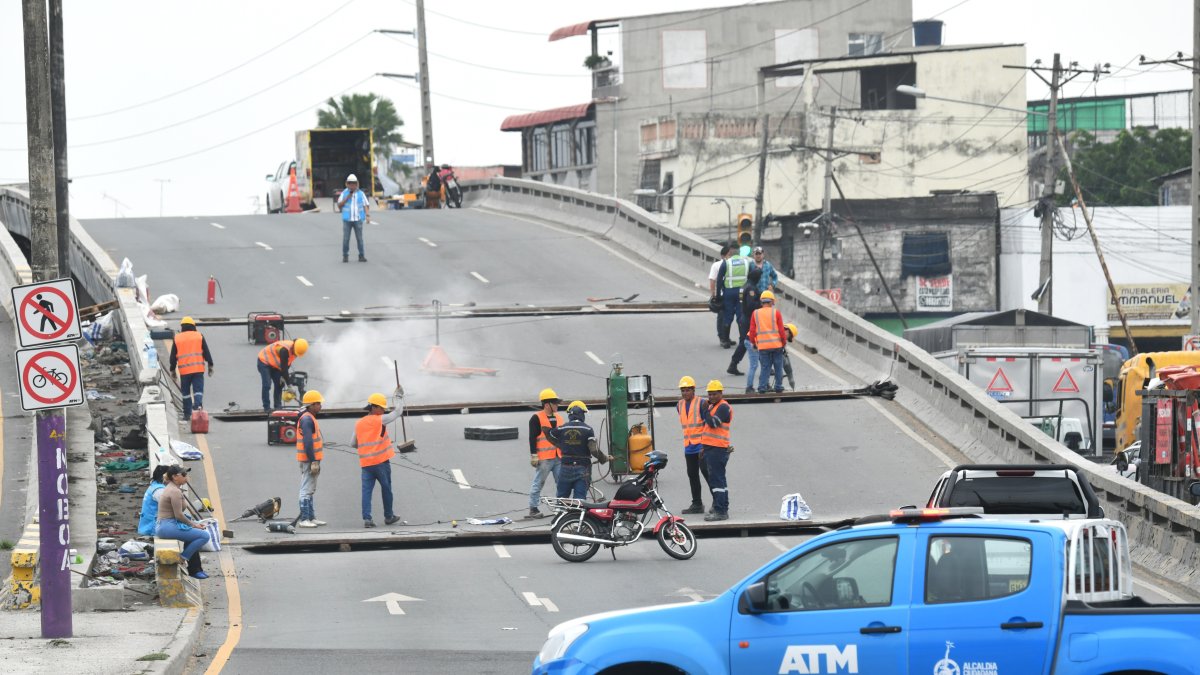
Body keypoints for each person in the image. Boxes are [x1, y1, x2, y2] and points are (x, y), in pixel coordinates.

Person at [353, 393, 403, 528]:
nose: (383, 411)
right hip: (381, 462)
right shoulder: (380, 419)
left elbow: (353, 443)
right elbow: (398, 412)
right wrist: (399, 397)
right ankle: (389, 516)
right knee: (386, 489)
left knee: (366, 491)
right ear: (374, 408)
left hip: (366, 465)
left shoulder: (359, 423)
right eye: (381, 408)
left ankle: (367, 519)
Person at [544, 400, 608, 500]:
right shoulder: (588, 430)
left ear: (570, 415)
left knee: (562, 499)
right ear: (582, 415)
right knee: (579, 501)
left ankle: (561, 513)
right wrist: (604, 458)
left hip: (565, 467)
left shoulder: (562, 428)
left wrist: (561, 444)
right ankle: (577, 515)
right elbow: (594, 450)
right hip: (582, 468)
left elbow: (549, 434)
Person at [155, 465, 210, 579]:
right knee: (204, 536)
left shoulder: (173, 488)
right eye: (184, 475)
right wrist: (194, 525)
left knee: (194, 536)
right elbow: (178, 515)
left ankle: (194, 569)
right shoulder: (174, 491)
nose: (187, 477)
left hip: (165, 525)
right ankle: (182, 559)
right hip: (168, 526)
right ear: (175, 477)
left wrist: (193, 525)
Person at [698, 380, 733, 521]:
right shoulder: (714, 407)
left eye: (714, 394)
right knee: (718, 480)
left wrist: (705, 410)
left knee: (717, 480)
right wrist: (703, 447)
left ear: (720, 393)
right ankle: (722, 507)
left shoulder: (723, 407)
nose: (711, 397)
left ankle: (721, 510)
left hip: (717, 448)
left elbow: (713, 424)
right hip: (711, 448)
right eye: (709, 394)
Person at [526, 388, 563, 519]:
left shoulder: (559, 418)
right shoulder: (536, 418)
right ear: (547, 404)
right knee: (539, 482)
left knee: (562, 483)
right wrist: (533, 454)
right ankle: (533, 508)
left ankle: (561, 508)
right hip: (544, 459)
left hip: (559, 457)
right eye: (555, 403)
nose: (557, 405)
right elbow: (532, 438)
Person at [169, 316, 214, 421]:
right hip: (198, 370)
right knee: (198, 390)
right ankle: (198, 406)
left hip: (184, 372)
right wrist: (210, 364)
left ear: (182, 327)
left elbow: (173, 357)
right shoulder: (199, 336)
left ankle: (187, 414)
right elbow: (206, 352)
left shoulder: (177, 338)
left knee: (186, 393)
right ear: (193, 326)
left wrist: (172, 370)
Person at [676, 376, 708, 514]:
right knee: (692, 475)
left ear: (693, 390)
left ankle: (718, 503)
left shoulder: (701, 403)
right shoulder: (679, 405)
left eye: (688, 390)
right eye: (683, 390)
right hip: (689, 446)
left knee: (707, 473)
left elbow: (708, 425)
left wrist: (705, 445)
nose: (685, 393)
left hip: (701, 445)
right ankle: (697, 504)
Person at [296, 390, 326, 528]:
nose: (320, 406)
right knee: (306, 489)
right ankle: (304, 519)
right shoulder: (307, 419)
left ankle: (311, 517)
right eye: (318, 403)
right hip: (309, 459)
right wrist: (313, 460)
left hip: (311, 459)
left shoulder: (308, 417)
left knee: (310, 488)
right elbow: (308, 442)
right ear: (311, 405)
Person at [727, 267, 763, 379]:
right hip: (749, 319)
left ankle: (733, 364)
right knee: (754, 341)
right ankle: (766, 366)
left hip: (744, 318)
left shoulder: (744, 286)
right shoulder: (751, 289)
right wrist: (761, 303)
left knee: (745, 342)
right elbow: (751, 305)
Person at [748, 290, 786, 394]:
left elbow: (752, 331)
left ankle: (762, 387)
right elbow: (782, 331)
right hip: (777, 345)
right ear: (772, 302)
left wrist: (754, 343)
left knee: (765, 367)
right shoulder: (776, 313)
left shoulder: (755, 313)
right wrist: (783, 343)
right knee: (778, 366)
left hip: (763, 347)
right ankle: (778, 386)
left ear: (761, 302)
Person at [256, 338, 308, 411]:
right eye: (296, 353)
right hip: (264, 361)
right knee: (267, 384)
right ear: (294, 346)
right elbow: (284, 368)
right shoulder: (284, 350)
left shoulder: (295, 351)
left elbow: (287, 364)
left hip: (275, 365)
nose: (296, 355)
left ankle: (277, 406)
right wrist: (289, 385)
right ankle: (266, 407)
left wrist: (283, 377)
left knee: (279, 384)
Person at [715, 245, 751, 348]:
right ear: (739, 253)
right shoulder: (746, 262)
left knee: (728, 316)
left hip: (729, 293)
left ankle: (725, 341)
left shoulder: (726, 263)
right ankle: (743, 340)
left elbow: (719, 280)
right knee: (740, 316)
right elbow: (751, 276)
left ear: (730, 253)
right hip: (742, 293)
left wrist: (718, 296)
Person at [336, 174, 371, 263]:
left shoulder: (361, 193)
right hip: (347, 220)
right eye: (350, 183)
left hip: (358, 220)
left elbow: (365, 205)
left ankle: (361, 255)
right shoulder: (344, 193)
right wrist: (347, 198)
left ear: (357, 184)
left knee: (359, 239)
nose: (352, 185)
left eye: (354, 183)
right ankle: (345, 256)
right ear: (347, 184)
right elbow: (339, 205)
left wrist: (367, 215)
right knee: (346, 239)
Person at [708, 244, 732, 347]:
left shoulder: (732, 264)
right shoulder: (716, 265)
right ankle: (722, 337)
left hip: (731, 294)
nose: (731, 256)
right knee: (721, 316)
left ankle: (726, 337)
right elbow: (712, 280)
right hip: (721, 295)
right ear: (725, 255)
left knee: (729, 316)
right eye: (730, 254)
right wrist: (713, 294)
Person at [137, 464, 170, 537]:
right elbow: (171, 508)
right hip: (153, 527)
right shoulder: (159, 490)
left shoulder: (154, 486)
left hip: (147, 525)